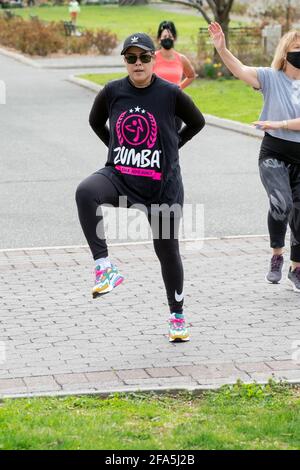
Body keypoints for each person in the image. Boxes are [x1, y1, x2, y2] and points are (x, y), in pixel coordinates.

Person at [76, 33, 205, 342]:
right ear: (125, 61)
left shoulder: (171, 93)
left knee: (167, 251)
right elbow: (95, 122)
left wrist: (175, 145)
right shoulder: (111, 92)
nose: (138, 63)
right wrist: (115, 147)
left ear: (153, 60)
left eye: (144, 57)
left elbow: (197, 122)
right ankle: (104, 267)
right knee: (85, 191)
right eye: (131, 58)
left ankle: (177, 316)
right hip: (122, 176)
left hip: (162, 188)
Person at [208, 22, 300, 292]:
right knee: (281, 203)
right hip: (274, 154)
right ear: (285, 53)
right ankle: (276, 255)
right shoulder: (270, 77)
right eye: (297, 49)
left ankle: (296, 269)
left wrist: (279, 123)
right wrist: (222, 48)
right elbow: (239, 70)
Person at [153, 20, 197, 90]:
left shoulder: (181, 58)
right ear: (159, 39)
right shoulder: (152, 58)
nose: (167, 38)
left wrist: (179, 88)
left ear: (174, 38)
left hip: (175, 99)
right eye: (164, 37)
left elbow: (191, 76)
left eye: (170, 36)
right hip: (155, 99)